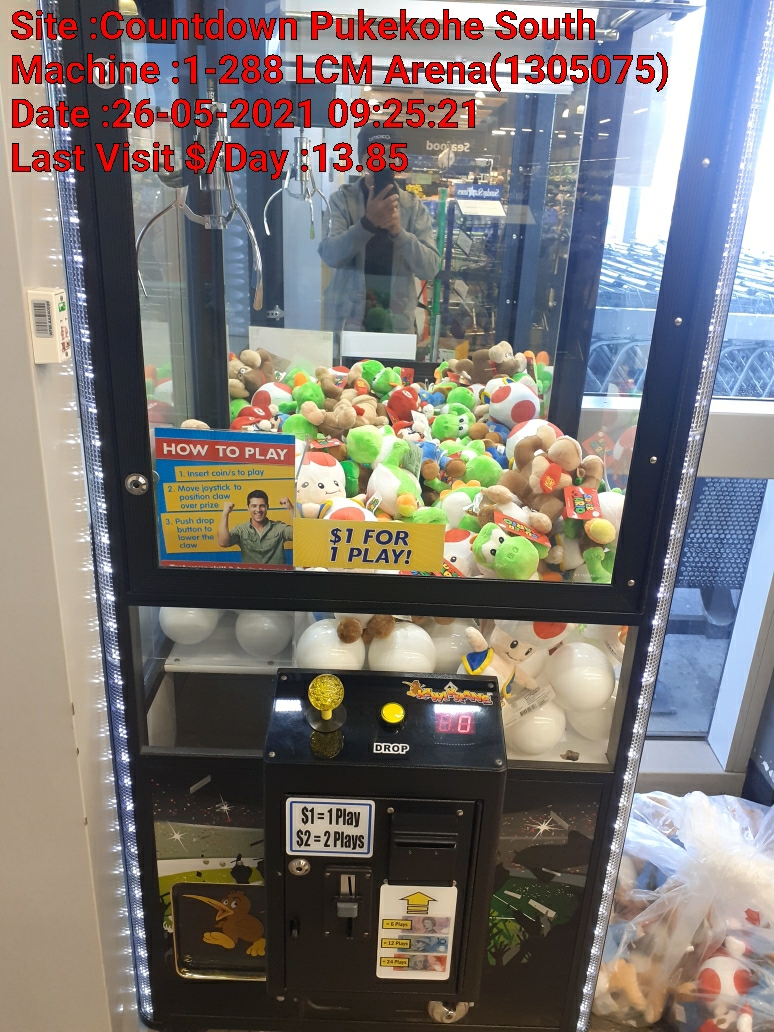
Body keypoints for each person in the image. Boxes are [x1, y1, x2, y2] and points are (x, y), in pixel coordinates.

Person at [318, 124, 441, 335]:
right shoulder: (342, 200)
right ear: (362, 159)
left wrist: (399, 233)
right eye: (375, 153)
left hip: (396, 323)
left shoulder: (413, 207)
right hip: (349, 321)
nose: (383, 161)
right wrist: (367, 224)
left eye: (390, 154)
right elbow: (330, 255)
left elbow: (430, 268)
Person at [217, 490, 293, 565]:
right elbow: (223, 542)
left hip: (276, 573)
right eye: (254, 506)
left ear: (267, 507)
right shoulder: (241, 530)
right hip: (251, 573)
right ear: (248, 508)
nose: (258, 510)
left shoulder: (279, 527)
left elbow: (298, 535)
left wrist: (291, 509)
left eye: (262, 506)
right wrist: (225, 514)